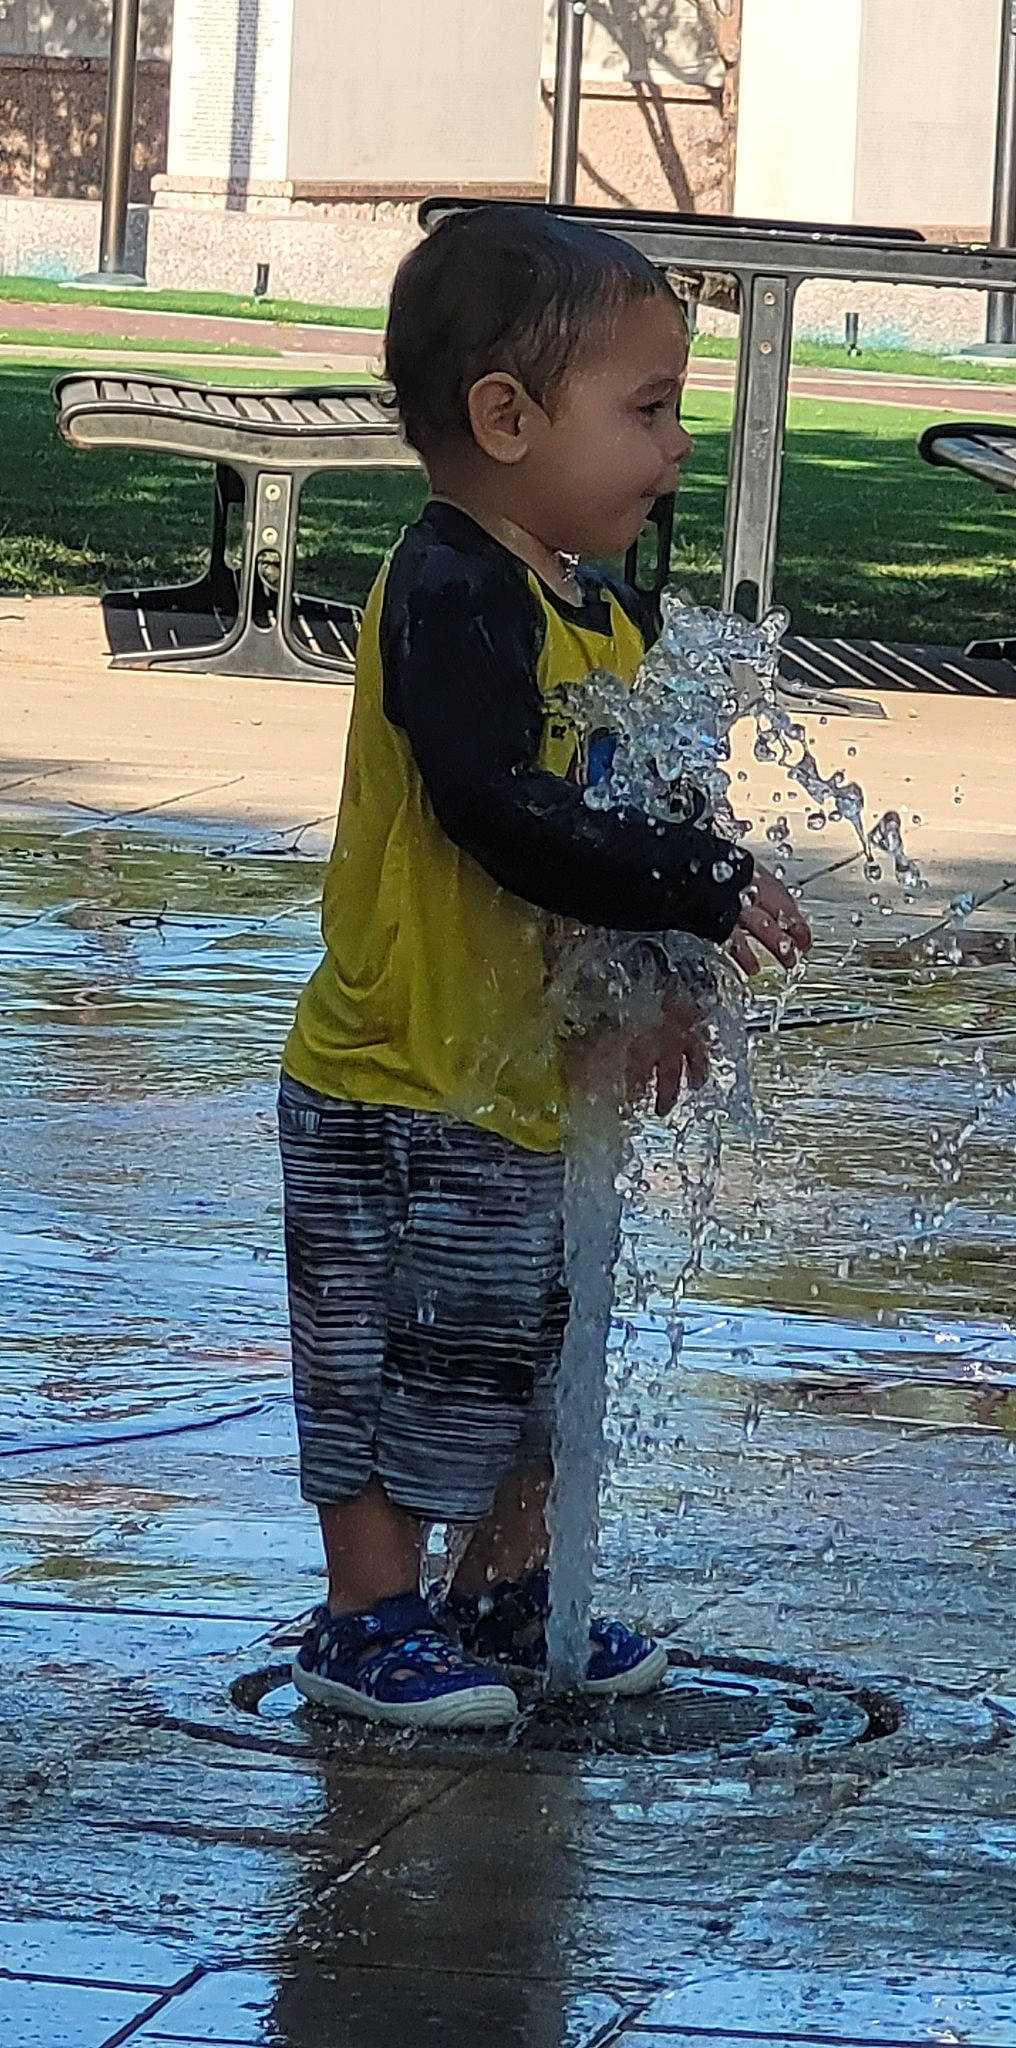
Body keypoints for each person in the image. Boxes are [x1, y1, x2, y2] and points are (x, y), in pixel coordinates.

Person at [278, 205, 810, 1730]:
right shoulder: (449, 592)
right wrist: (700, 887)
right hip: (402, 1079)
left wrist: (660, 979)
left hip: (514, 1079)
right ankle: (366, 1612)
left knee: (537, 1344)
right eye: (647, 412)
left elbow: (630, 802)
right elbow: (499, 808)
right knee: (399, 1360)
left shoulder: (595, 608)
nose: (675, 448)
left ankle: (505, 1586)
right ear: (508, 420)